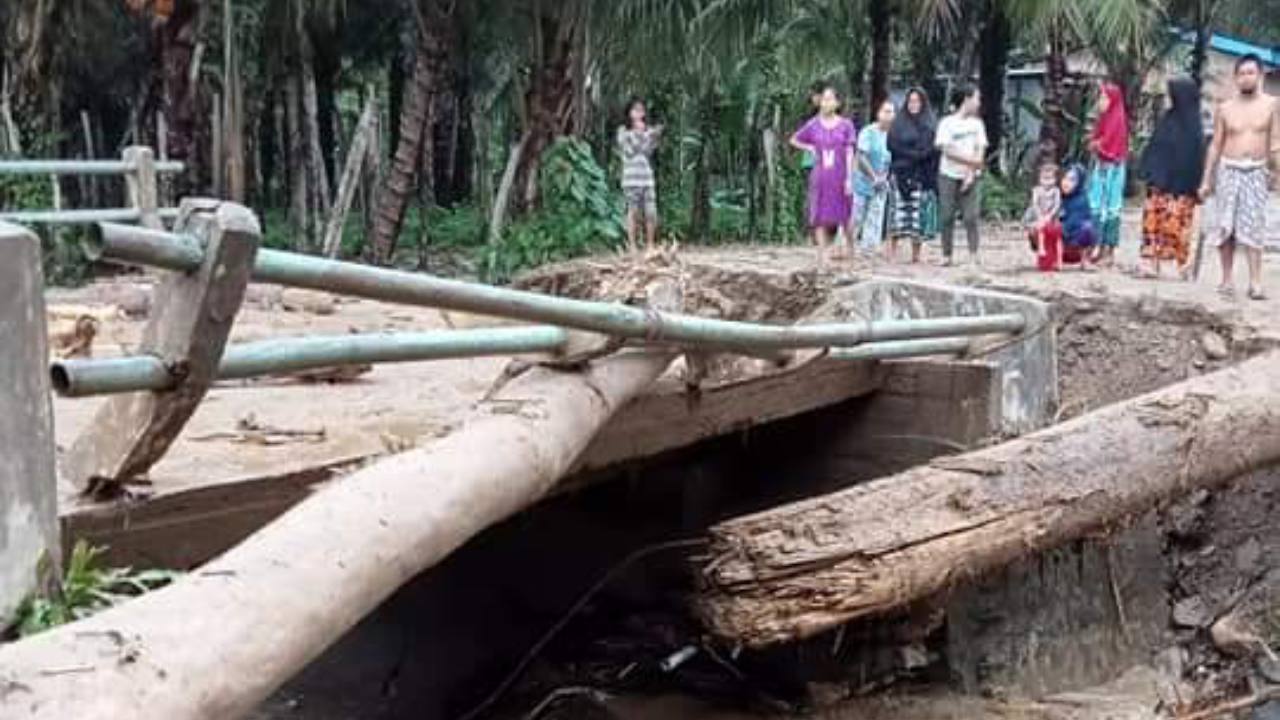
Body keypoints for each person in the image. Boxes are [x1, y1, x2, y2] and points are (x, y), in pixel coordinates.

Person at [1199, 54, 1280, 301]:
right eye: (1242, 73)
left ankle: (1255, 282)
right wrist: (1206, 179)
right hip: (1228, 169)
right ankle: (1226, 279)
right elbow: (1215, 144)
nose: (1246, 78)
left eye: (1250, 73)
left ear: (1260, 75)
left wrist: (1277, 172)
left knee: (1254, 227)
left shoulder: (1272, 105)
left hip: (1256, 170)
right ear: (1235, 77)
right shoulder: (1225, 108)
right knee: (1226, 226)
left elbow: (1276, 142)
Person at [1139, 76, 1205, 280]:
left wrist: (1198, 185)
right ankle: (1151, 263)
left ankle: (1178, 265)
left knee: (1177, 225)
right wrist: (1149, 172)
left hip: (1182, 188)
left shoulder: (1194, 126)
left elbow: (1195, 159)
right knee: (1153, 223)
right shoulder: (1167, 119)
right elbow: (1155, 148)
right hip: (1159, 185)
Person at [791, 85, 857, 264]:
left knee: (845, 214)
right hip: (820, 175)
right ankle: (822, 253)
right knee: (819, 214)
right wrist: (809, 147)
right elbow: (794, 139)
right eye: (824, 99)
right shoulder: (813, 124)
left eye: (830, 99)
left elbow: (850, 151)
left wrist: (850, 178)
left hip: (840, 174)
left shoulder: (846, 125)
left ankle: (851, 248)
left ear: (837, 103)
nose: (826, 103)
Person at [935, 84, 987, 266]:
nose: (978, 102)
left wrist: (971, 172)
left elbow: (980, 149)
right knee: (947, 215)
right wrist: (972, 163)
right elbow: (947, 150)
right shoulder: (946, 123)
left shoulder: (977, 124)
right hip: (948, 174)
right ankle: (946, 254)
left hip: (971, 176)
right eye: (976, 98)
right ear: (967, 99)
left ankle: (974, 253)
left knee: (971, 216)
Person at [888, 88, 939, 263]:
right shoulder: (898, 123)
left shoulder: (930, 124)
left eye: (917, 101)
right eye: (911, 101)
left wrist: (917, 156)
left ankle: (915, 255)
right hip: (900, 173)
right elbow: (892, 145)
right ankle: (892, 253)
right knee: (896, 216)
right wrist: (912, 155)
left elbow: (930, 151)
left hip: (920, 176)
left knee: (917, 218)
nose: (913, 105)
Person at [1088, 82, 1129, 269]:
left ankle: (1108, 250)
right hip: (1100, 166)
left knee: (1111, 208)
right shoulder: (1103, 119)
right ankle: (1093, 246)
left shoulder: (1117, 120)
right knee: (1095, 206)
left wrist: (1098, 144)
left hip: (1113, 169)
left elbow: (1111, 142)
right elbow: (1098, 139)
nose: (1100, 101)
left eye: (1104, 97)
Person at [617, 98, 663, 252]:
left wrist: (654, 137)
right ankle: (632, 246)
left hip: (646, 178)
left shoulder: (647, 131)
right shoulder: (623, 131)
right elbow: (630, 151)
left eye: (641, 110)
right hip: (631, 179)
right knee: (633, 212)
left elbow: (647, 152)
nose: (639, 113)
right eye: (635, 110)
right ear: (629, 113)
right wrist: (641, 134)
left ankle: (650, 244)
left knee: (651, 212)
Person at [853, 100, 895, 257]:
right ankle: (846, 247)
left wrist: (884, 177)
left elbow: (892, 159)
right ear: (878, 113)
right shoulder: (868, 132)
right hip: (862, 181)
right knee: (856, 216)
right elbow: (861, 156)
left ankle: (868, 250)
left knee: (875, 218)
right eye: (886, 111)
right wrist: (874, 177)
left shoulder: (893, 136)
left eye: (891, 112)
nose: (889, 115)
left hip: (882, 183)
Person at [1024, 162, 1063, 272]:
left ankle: (1059, 261)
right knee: (1040, 227)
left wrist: (1050, 216)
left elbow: (1057, 205)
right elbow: (1035, 204)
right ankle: (1041, 248)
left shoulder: (1056, 191)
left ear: (1055, 179)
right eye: (1044, 178)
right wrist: (1041, 216)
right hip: (1040, 218)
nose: (1047, 181)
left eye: (1050, 178)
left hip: (1053, 219)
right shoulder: (1036, 190)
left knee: (1058, 237)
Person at [1060, 164, 1098, 269]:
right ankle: (1049, 259)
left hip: (1074, 247)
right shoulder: (1054, 196)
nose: (1066, 183)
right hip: (1057, 246)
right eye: (1065, 178)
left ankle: (1084, 260)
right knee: (1037, 228)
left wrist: (1060, 227)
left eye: (1072, 180)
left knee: (1087, 227)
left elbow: (1073, 224)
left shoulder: (1082, 200)